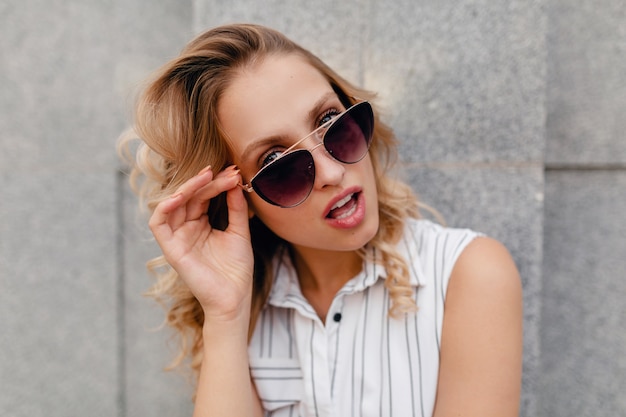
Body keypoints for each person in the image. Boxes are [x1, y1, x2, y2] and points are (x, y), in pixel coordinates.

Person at [118, 23, 523, 417]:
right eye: (275, 162)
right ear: (237, 196)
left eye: (330, 121)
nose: (330, 173)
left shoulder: (468, 275)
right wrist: (225, 316)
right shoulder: (248, 306)